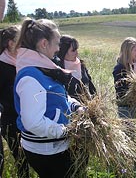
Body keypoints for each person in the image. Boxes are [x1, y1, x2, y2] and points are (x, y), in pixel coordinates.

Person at [14, 18, 84, 178]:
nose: (59, 48)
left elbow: (58, 98)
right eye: (57, 43)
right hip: (46, 151)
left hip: (53, 146)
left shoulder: (43, 68)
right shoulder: (31, 77)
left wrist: (76, 106)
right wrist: (67, 131)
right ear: (44, 44)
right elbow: (33, 122)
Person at [0, 25, 30, 178]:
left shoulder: (22, 62)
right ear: (11, 43)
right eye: (21, 41)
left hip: (26, 117)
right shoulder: (2, 66)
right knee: (21, 159)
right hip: (10, 120)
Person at [112, 37, 136, 119]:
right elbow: (120, 90)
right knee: (128, 131)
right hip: (125, 106)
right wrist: (135, 78)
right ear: (127, 51)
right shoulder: (119, 68)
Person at [53, 35, 96, 101]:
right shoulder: (57, 70)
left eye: (76, 49)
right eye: (73, 50)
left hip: (87, 108)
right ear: (63, 52)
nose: (77, 53)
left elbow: (90, 86)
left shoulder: (81, 64)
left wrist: (96, 101)